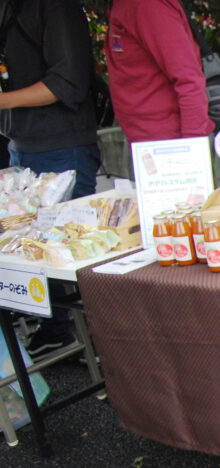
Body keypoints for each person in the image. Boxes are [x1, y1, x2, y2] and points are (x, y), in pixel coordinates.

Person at [1, 0, 102, 356]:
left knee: (74, 249)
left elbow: (66, 83)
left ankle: (92, 338)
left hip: (61, 145)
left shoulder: (55, 8)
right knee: (32, 245)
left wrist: (3, 101)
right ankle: (56, 326)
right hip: (21, 143)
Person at [104, 0, 214, 144]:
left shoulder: (148, 5)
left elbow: (189, 80)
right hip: (149, 141)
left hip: (170, 143)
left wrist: (191, 146)